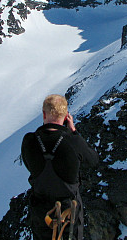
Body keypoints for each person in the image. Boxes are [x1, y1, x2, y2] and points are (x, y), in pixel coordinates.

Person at [21, 94, 98, 240]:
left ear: (44, 114)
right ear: (65, 116)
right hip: (69, 214)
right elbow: (93, 160)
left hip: (41, 214)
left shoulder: (29, 141)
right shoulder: (73, 142)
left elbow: (28, 164)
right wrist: (74, 132)